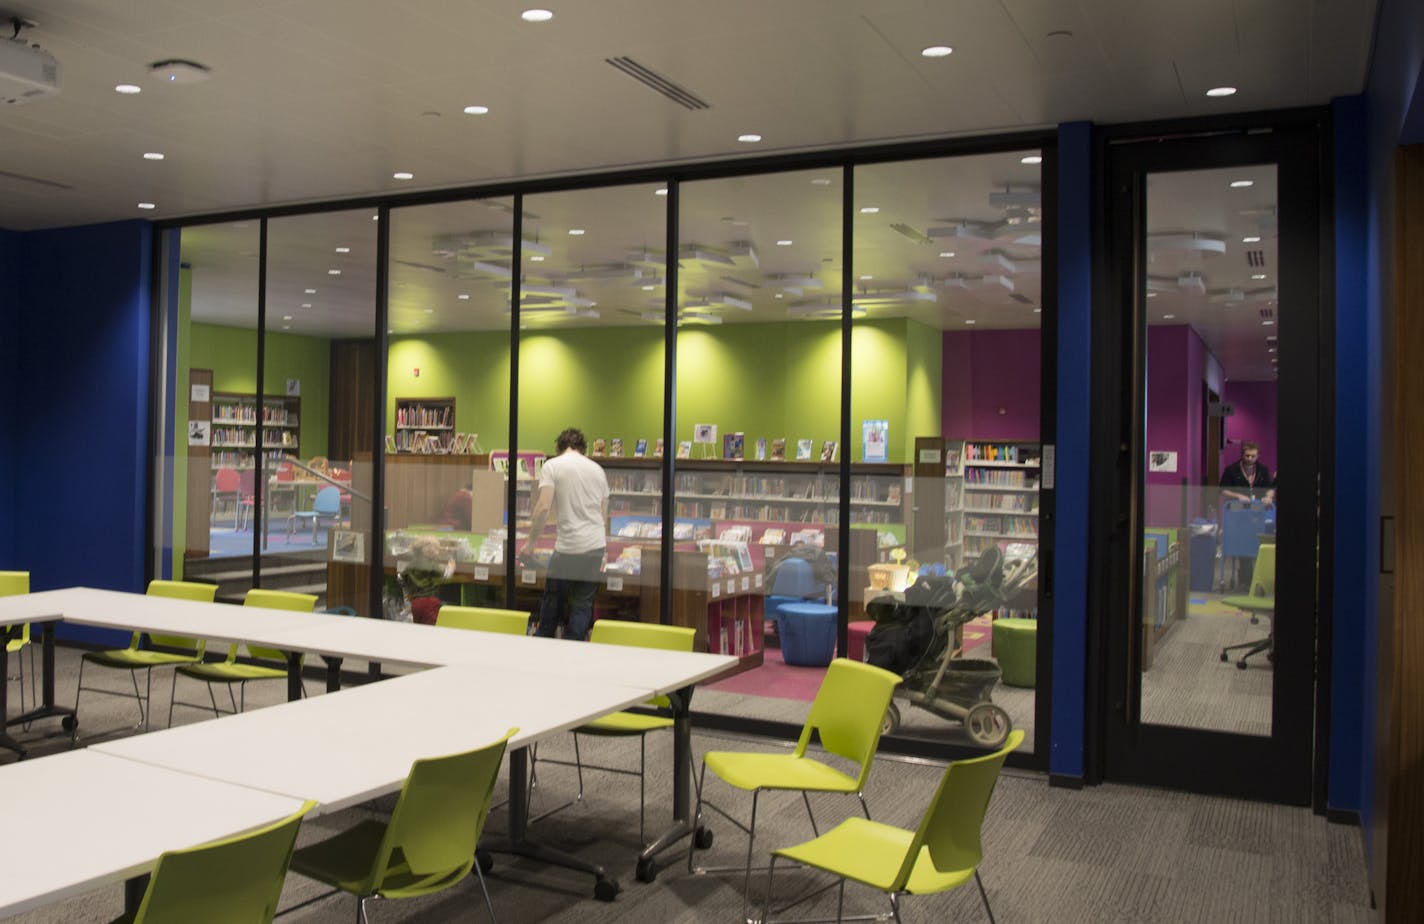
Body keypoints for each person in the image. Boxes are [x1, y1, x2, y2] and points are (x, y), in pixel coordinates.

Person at [519, 427, 609, 641]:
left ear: (559, 447)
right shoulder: (598, 470)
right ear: (583, 448)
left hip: (569, 546)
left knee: (553, 601)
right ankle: (573, 651)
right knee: (582, 604)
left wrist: (529, 544)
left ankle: (543, 645)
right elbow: (602, 515)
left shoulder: (553, 466)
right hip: (595, 547)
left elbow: (542, 508)